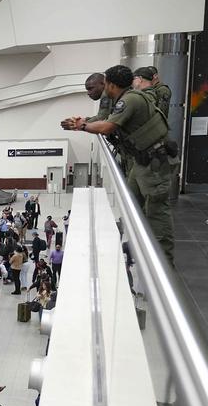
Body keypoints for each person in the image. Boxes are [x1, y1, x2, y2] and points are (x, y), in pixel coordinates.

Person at [67, 64, 175, 260]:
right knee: (133, 201)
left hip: (154, 163)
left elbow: (107, 125)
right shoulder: (125, 98)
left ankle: (164, 261)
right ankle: (140, 245)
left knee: (157, 212)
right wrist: (84, 124)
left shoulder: (130, 100)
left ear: (110, 84)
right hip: (142, 161)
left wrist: (82, 125)